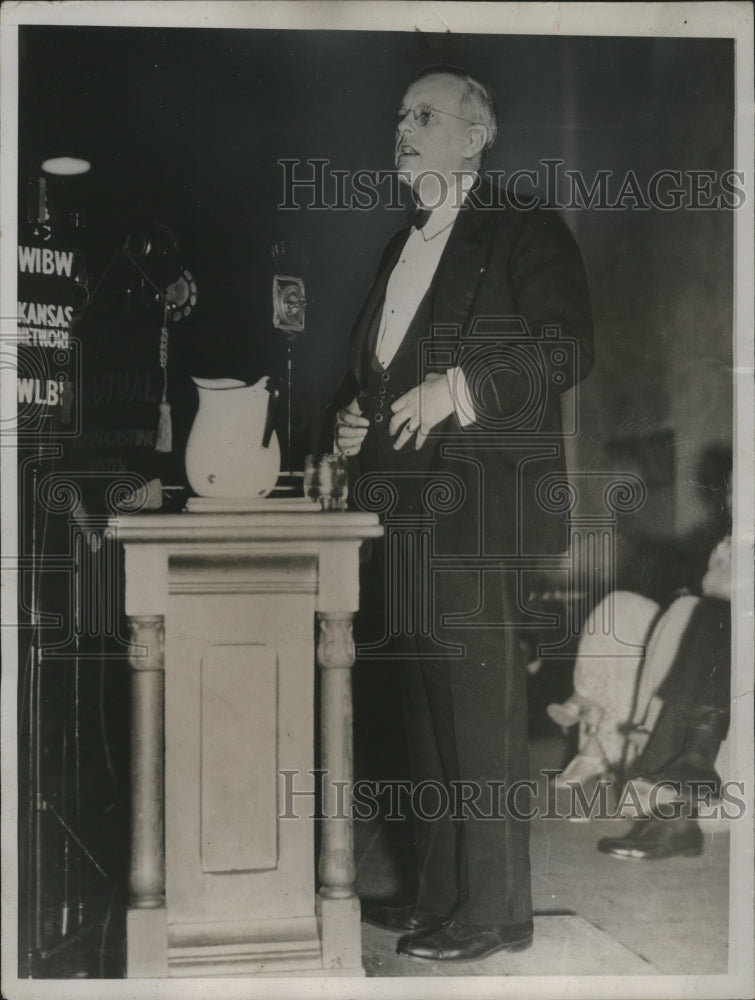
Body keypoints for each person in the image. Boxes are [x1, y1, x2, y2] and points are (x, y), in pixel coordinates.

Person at [329, 66, 594, 961]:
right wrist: (353, 413)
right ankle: (441, 894)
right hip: (399, 511)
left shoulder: (523, 226)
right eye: (399, 115)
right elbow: (380, 368)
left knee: (478, 716)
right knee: (426, 714)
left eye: (424, 115)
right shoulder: (398, 246)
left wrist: (459, 389)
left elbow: (566, 348)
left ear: (474, 138)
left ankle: (496, 911)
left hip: (479, 505)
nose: (401, 129)